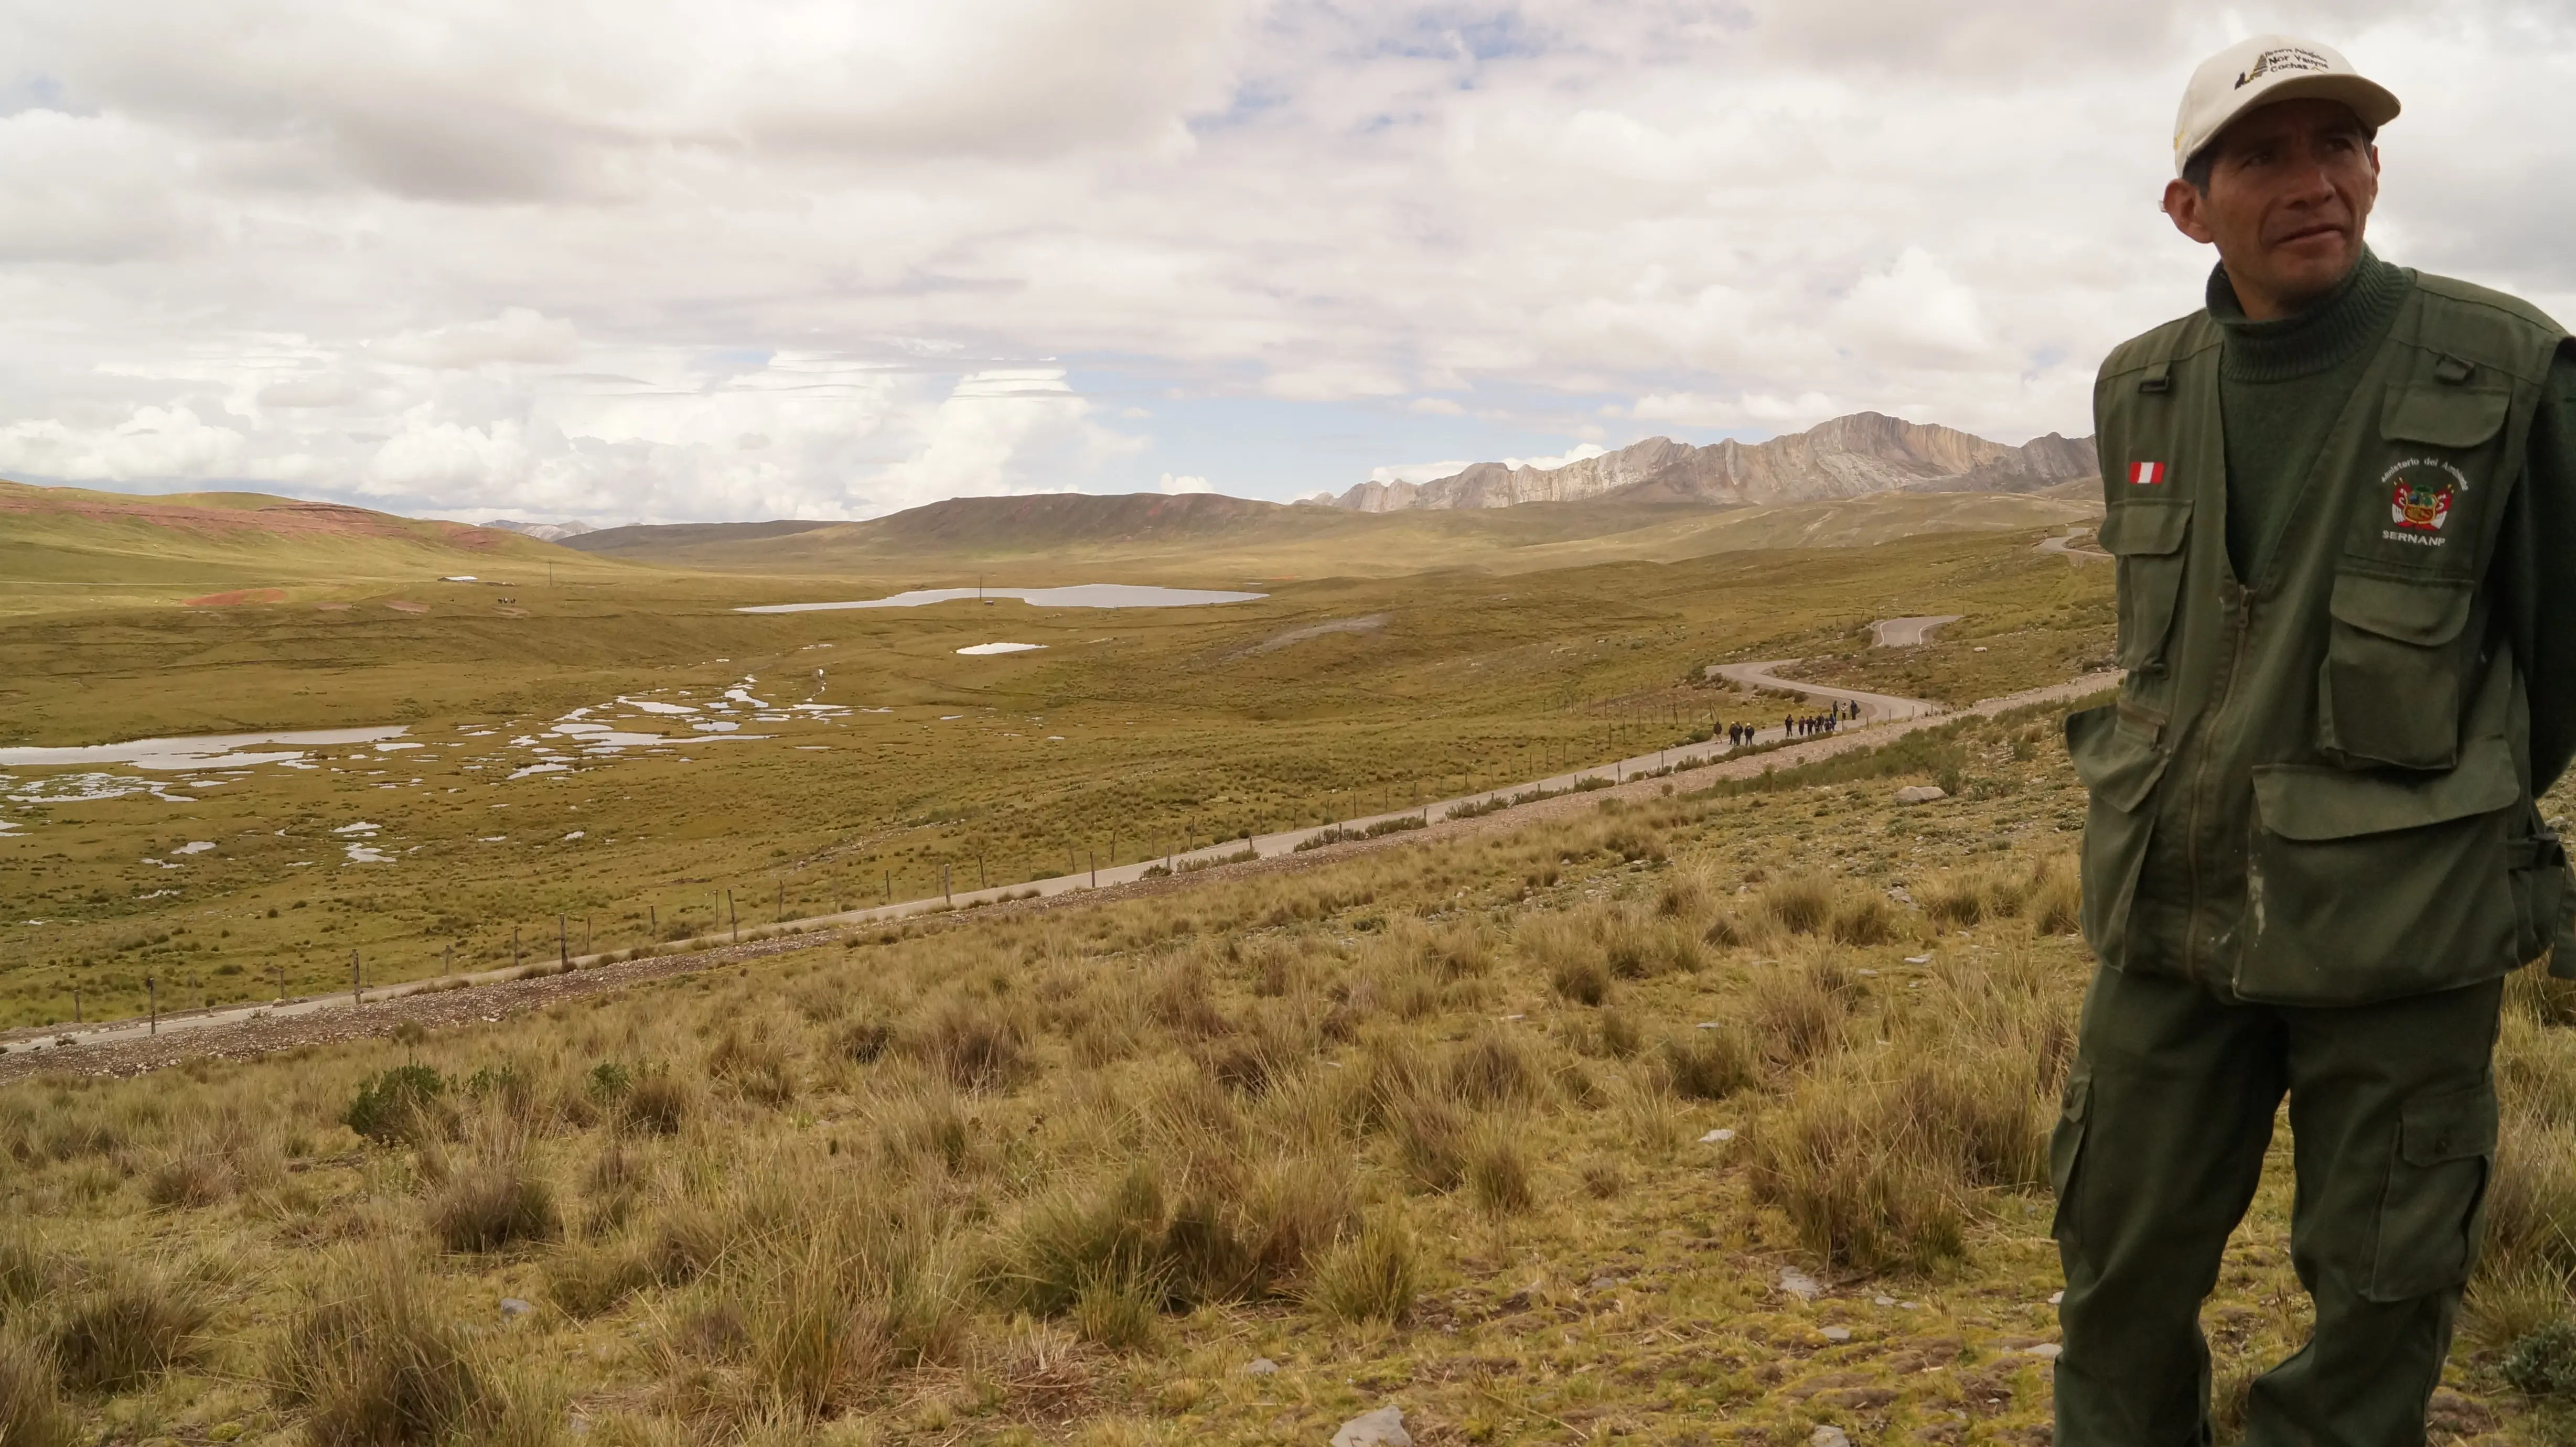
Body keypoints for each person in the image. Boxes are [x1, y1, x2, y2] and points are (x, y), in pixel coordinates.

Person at [2055, 34, 2576, 1445]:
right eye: (2266, 155)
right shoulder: (2138, 387)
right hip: (2168, 922)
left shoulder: (2505, 362)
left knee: (2379, 1301)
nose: (2314, 182)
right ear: (2190, 205)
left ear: (2377, 167)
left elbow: (2558, 652)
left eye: (2340, 145)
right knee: (2114, 1273)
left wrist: (2434, 823)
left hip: (2401, 938)